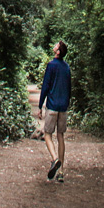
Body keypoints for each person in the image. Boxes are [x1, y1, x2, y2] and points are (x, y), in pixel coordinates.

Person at [38, 40, 71, 181]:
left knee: (47, 134)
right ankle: (61, 172)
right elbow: (69, 88)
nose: (55, 46)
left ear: (58, 51)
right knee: (61, 136)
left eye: (57, 45)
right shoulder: (67, 67)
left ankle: (55, 159)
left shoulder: (51, 66)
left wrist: (40, 106)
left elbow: (45, 86)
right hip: (63, 107)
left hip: (52, 106)